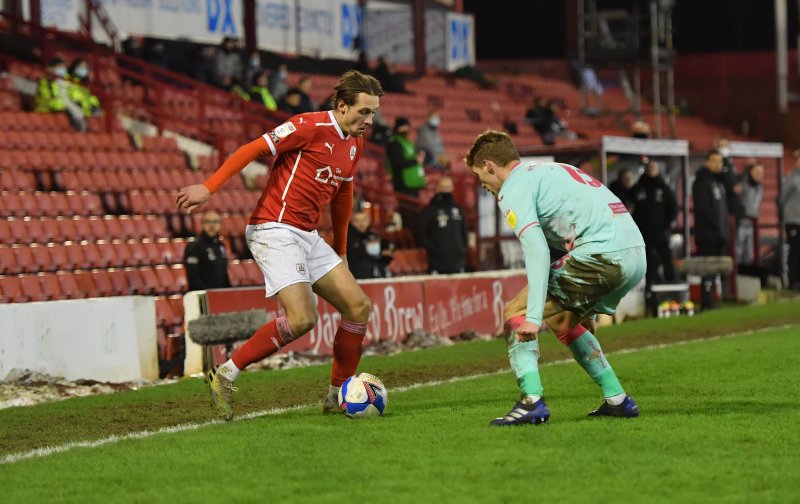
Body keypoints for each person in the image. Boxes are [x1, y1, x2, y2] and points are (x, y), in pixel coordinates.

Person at [176, 70, 384, 421]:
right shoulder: (308, 126)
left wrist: (342, 250)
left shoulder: (355, 142)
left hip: (308, 234)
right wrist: (209, 188)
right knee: (303, 319)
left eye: (374, 112)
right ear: (343, 105)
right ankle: (225, 373)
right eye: (364, 112)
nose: (370, 120)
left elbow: (343, 194)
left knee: (358, 307)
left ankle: (338, 394)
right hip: (273, 228)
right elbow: (252, 148)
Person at [465, 130, 645, 426]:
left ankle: (531, 402)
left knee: (516, 311)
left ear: (488, 165)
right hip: (634, 254)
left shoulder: (513, 187)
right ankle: (617, 399)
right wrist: (578, 306)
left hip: (603, 256)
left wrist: (533, 317)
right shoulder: (554, 170)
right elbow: (561, 238)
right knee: (563, 321)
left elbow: (536, 249)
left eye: (481, 177)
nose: (484, 186)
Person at [692, 150, 729, 310]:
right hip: (708, 235)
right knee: (708, 270)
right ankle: (707, 303)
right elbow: (703, 210)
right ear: (707, 162)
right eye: (714, 161)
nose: (718, 164)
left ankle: (714, 300)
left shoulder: (718, 182)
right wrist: (715, 230)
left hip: (718, 234)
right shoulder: (701, 182)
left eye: (720, 161)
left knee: (715, 271)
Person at [631, 161, 678, 286]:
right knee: (648, 260)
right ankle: (651, 284)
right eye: (649, 167)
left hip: (661, 231)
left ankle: (672, 283)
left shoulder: (664, 188)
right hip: (643, 232)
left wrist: (667, 227)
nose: (652, 170)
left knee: (667, 258)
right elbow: (628, 206)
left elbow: (673, 208)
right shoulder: (638, 188)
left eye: (654, 167)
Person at [417, 176, 468, 274]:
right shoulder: (430, 211)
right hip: (437, 264)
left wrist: (462, 249)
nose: (446, 190)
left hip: (458, 262)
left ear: (452, 188)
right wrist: (434, 249)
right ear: (437, 188)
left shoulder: (458, 209)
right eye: (443, 187)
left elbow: (464, 232)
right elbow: (420, 234)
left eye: (448, 186)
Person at [183, 210, 231, 291]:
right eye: (208, 222)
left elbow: (224, 274)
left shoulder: (221, 246)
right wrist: (209, 295)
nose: (212, 226)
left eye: (215, 222)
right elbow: (193, 278)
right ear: (202, 224)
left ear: (220, 225)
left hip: (220, 296)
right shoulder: (194, 247)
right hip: (202, 297)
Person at [386, 117, 426, 197]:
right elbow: (398, 163)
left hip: (413, 183)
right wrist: (415, 160)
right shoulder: (394, 144)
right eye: (406, 127)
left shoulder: (408, 143)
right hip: (403, 184)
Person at [346, 210, 393, 279]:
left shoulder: (376, 237)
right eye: (357, 221)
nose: (361, 223)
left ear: (368, 221)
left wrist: (385, 255)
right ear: (351, 222)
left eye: (364, 220)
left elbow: (386, 257)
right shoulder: (347, 239)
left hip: (378, 274)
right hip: (357, 275)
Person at [736, 163, 764, 266]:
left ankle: (747, 277)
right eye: (757, 172)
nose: (760, 175)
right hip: (740, 223)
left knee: (749, 254)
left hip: (752, 223)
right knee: (738, 252)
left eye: (762, 173)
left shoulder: (760, 188)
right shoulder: (742, 185)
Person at [780, 151, 800, 289]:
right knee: (795, 251)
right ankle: (792, 281)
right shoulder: (791, 178)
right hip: (793, 221)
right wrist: (786, 215)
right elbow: (782, 198)